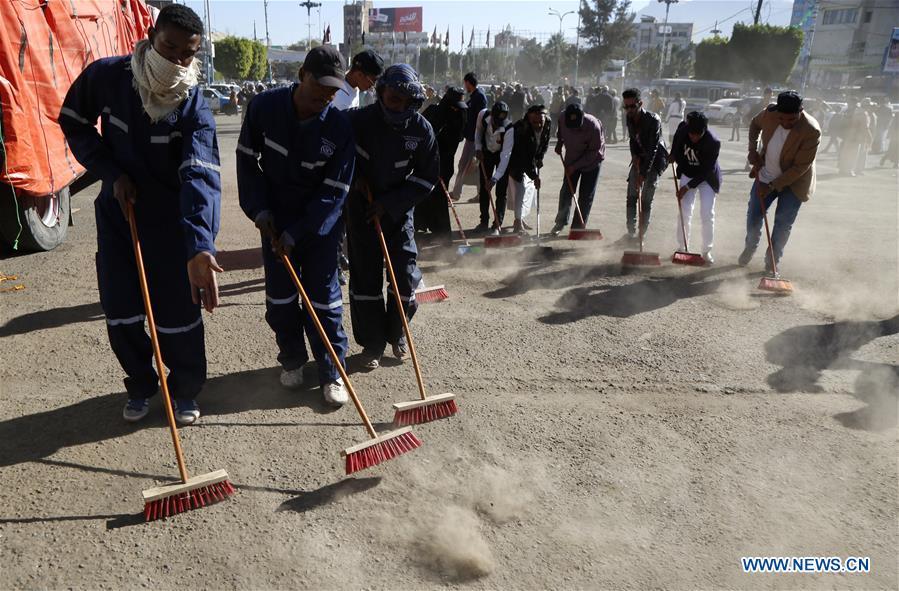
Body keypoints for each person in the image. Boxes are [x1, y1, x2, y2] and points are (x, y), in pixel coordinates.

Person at [59, 4, 221, 425]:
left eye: (187, 54)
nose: (176, 62)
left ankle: (184, 389)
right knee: (122, 307)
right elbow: (73, 122)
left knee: (176, 311)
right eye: (169, 48)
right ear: (152, 37)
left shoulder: (193, 104)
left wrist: (200, 245)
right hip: (119, 214)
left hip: (170, 222)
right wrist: (111, 173)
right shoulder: (108, 77)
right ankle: (141, 384)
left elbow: (199, 176)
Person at [235, 46, 354, 406]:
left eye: (334, 90)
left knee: (325, 300)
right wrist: (259, 211)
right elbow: (246, 161)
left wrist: (299, 231)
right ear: (302, 73)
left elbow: (335, 192)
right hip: (274, 220)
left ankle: (331, 372)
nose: (326, 96)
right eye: (320, 85)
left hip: (319, 226)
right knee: (281, 300)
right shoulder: (264, 107)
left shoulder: (338, 127)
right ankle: (292, 360)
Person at [346, 64, 439, 370]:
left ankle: (396, 332)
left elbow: (427, 178)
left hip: (398, 212)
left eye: (404, 101)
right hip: (361, 211)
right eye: (392, 98)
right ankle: (372, 343)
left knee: (404, 277)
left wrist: (390, 203)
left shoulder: (421, 129)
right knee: (365, 281)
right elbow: (333, 152)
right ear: (380, 93)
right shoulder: (357, 121)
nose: (398, 105)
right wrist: (354, 175)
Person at [740, 91, 820, 274]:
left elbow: (800, 168)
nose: (785, 123)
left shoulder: (811, 130)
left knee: (783, 223)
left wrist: (772, 186)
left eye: (791, 120)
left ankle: (772, 262)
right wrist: (753, 149)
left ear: (801, 111)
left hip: (794, 183)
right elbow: (754, 124)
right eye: (782, 119)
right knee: (754, 214)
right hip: (765, 174)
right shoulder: (769, 113)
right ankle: (750, 246)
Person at [670, 112, 721, 264]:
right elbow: (676, 144)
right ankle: (682, 247)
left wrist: (687, 187)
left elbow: (707, 171)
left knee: (707, 213)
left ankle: (706, 251)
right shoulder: (683, 130)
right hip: (687, 173)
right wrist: (673, 154)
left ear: (705, 129)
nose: (694, 137)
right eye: (691, 134)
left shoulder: (713, 142)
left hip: (706, 179)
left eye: (698, 135)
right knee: (684, 211)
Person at [418, 87, 467, 244]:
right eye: (454, 106)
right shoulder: (433, 112)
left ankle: (443, 234)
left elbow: (459, 137)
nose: (456, 110)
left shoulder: (459, 115)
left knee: (439, 197)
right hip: (428, 162)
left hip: (445, 165)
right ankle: (425, 228)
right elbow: (421, 134)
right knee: (424, 193)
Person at [551, 103, 605, 236]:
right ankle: (560, 222)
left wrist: (575, 167)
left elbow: (594, 152)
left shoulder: (593, 126)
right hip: (571, 158)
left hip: (592, 162)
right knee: (566, 192)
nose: (574, 130)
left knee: (586, 196)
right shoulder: (562, 117)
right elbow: (560, 132)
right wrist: (559, 143)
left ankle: (577, 228)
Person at [623, 88, 667, 241]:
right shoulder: (629, 117)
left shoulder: (653, 120)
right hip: (639, 158)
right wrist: (634, 156)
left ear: (640, 103)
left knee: (646, 199)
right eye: (626, 107)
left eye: (632, 106)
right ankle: (630, 232)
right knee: (631, 196)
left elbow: (653, 149)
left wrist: (644, 173)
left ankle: (642, 234)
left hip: (654, 161)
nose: (628, 110)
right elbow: (632, 140)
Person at [506, 104, 551, 235]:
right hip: (516, 160)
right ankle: (517, 222)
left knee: (530, 191)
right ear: (529, 119)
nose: (538, 125)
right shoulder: (521, 129)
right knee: (520, 190)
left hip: (530, 159)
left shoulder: (547, 122)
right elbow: (524, 157)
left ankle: (522, 218)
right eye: (534, 122)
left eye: (540, 122)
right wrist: (534, 176)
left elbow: (545, 141)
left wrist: (540, 157)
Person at [473, 101, 513, 233]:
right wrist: (478, 148)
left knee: (501, 192)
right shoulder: (483, 115)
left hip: (501, 156)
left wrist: (495, 179)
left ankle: (497, 224)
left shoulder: (508, 128)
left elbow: (506, 156)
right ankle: (483, 221)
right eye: (496, 123)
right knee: (484, 189)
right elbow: (478, 131)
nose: (497, 126)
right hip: (486, 154)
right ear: (492, 117)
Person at [449, 72, 487, 201]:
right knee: (474, 168)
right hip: (471, 137)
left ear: (468, 82)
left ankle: (456, 193)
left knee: (463, 165)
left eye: (465, 83)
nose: (464, 85)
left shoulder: (479, 97)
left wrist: (478, 139)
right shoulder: (475, 96)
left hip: (474, 138)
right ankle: (480, 194)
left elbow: (481, 118)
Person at [838, 101, 871, 177]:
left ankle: (842, 169)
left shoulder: (855, 111)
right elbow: (865, 127)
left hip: (849, 134)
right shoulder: (863, 114)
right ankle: (849, 171)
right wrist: (870, 137)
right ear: (867, 106)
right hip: (856, 136)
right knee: (853, 154)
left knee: (846, 153)